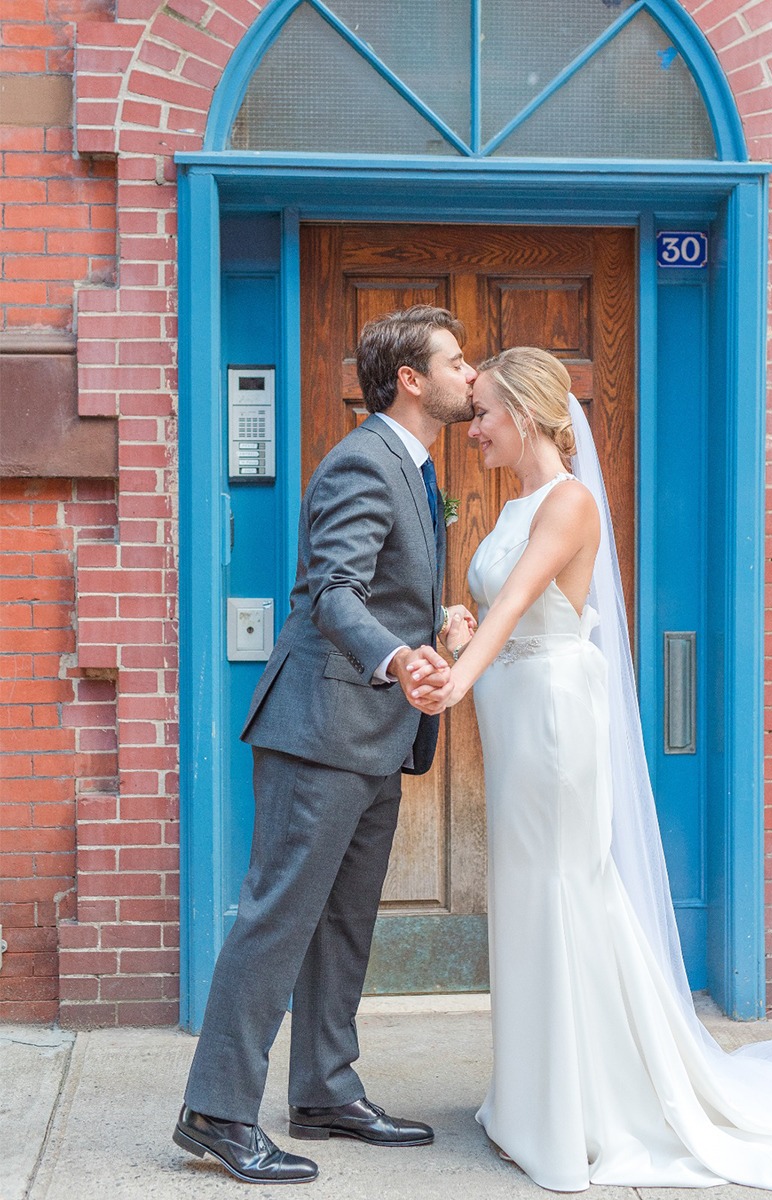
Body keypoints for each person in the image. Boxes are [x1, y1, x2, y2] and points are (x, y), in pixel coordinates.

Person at [407, 346, 772, 1197]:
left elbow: (522, 605)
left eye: (483, 411)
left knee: (566, 890)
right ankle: (531, 1098)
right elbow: (500, 612)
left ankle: (583, 1113)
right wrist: (458, 630)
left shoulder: (569, 501)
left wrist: (454, 682)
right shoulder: (517, 502)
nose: (473, 426)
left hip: (555, 723)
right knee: (527, 899)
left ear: (525, 415)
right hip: (519, 720)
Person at [174, 306, 477, 1185]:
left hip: (374, 733)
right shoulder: (362, 462)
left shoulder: (415, 468)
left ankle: (325, 1092)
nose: (471, 373)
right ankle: (218, 1112)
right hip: (319, 729)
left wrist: (432, 625)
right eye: (456, 361)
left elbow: (383, 588)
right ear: (411, 380)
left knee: (343, 926)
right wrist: (395, 656)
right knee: (277, 921)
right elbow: (334, 592)